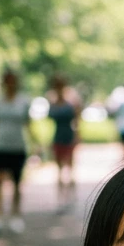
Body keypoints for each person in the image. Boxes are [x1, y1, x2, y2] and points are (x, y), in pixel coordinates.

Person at [0, 69, 39, 235]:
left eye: (13, 80)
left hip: (17, 147)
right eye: (8, 81)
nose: (10, 84)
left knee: (16, 182)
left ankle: (16, 215)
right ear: (4, 83)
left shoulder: (23, 102)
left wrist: (36, 144)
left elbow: (28, 125)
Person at [47, 74, 81, 209]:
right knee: (59, 169)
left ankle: (71, 196)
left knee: (70, 167)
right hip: (58, 137)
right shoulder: (53, 102)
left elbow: (77, 120)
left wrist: (77, 136)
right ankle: (61, 199)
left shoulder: (71, 102)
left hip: (68, 137)